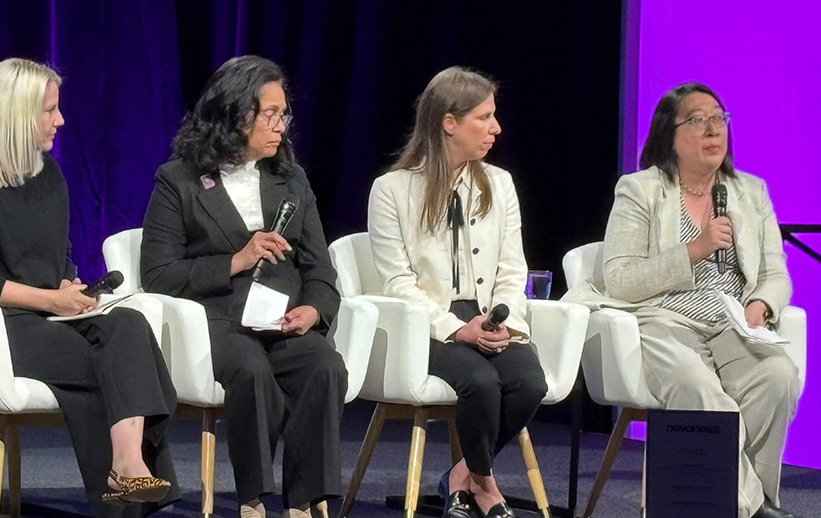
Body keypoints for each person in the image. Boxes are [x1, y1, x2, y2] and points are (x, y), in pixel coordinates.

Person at [0, 58, 178, 517]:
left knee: (129, 327)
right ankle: (126, 476)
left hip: (51, 315)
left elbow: (56, 255)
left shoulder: (48, 175)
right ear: (16, 113)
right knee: (118, 368)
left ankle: (126, 463)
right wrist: (49, 299)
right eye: (49, 110)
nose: (59, 120)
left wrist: (72, 287)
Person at [140, 55, 346, 518]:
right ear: (234, 114)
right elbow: (158, 274)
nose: (281, 126)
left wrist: (314, 311)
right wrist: (237, 259)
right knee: (251, 373)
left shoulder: (290, 178)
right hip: (219, 321)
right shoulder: (179, 180)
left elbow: (320, 271)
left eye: (283, 114)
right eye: (270, 114)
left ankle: (304, 500)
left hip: (285, 321)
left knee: (324, 366)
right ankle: (253, 497)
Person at [586, 82, 799, 518]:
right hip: (664, 319)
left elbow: (776, 273)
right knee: (699, 389)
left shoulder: (750, 192)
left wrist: (761, 305)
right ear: (669, 134)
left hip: (733, 322)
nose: (713, 130)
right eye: (698, 120)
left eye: (719, 119)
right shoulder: (640, 189)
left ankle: (743, 503)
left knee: (778, 377)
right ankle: (751, 510)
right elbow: (620, 280)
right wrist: (694, 249)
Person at [367, 66, 547, 518]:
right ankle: (486, 487)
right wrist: (454, 328)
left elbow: (512, 265)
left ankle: (460, 477)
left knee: (529, 383)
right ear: (449, 123)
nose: (496, 128)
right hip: (428, 324)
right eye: (483, 118)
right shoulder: (392, 190)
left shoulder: (499, 183)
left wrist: (502, 322)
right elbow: (396, 283)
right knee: (481, 383)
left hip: (488, 316)